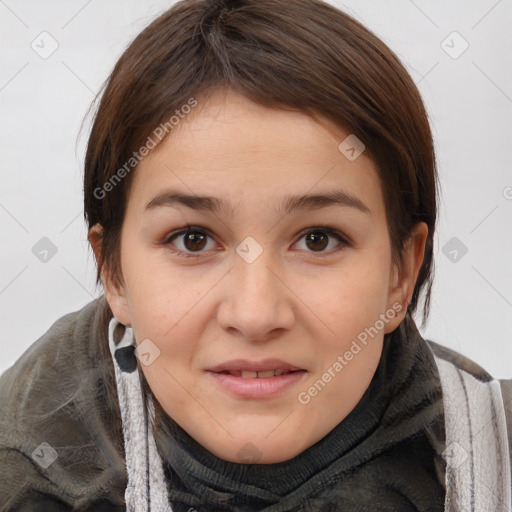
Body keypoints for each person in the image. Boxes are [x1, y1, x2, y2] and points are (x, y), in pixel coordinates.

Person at [1, 0, 510, 510]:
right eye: (193, 239)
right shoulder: (23, 474)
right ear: (114, 274)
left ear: (401, 273)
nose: (255, 314)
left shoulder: (494, 459)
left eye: (318, 239)